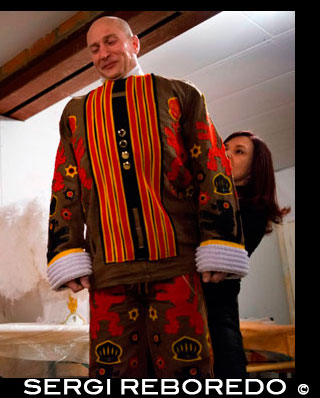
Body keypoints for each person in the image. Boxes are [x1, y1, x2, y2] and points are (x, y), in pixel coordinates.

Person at [46, 16, 249, 378]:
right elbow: (66, 184)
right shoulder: (75, 113)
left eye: (111, 41)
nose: (103, 53)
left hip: (177, 264)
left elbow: (212, 168)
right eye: (94, 48)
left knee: (187, 372)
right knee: (114, 373)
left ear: (134, 43)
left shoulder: (181, 95)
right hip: (108, 269)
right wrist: (65, 249)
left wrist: (220, 238)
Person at [203, 131, 291, 378]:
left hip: (217, 308)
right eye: (224, 147)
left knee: (227, 368)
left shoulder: (253, 211)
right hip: (193, 305)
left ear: (254, 170)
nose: (226, 153)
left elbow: (218, 263)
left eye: (238, 151)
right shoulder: (206, 196)